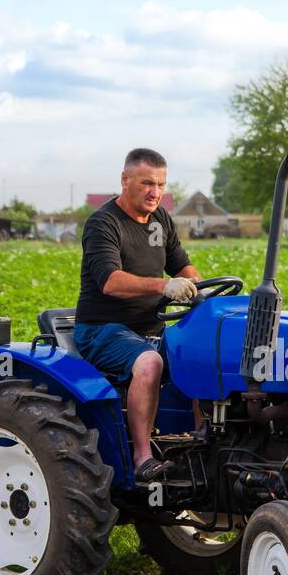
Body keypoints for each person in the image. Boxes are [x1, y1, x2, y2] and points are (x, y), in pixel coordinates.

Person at [73, 147, 200, 483]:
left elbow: (182, 264)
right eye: (146, 183)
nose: (154, 192)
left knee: (203, 354)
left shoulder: (160, 220)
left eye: (160, 184)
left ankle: (201, 442)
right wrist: (163, 286)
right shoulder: (104, 223)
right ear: (125, 180)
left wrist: (196, 285)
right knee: (149, 363)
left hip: (151, 329)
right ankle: (142, 459)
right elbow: (111, 282)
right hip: (102, 330)